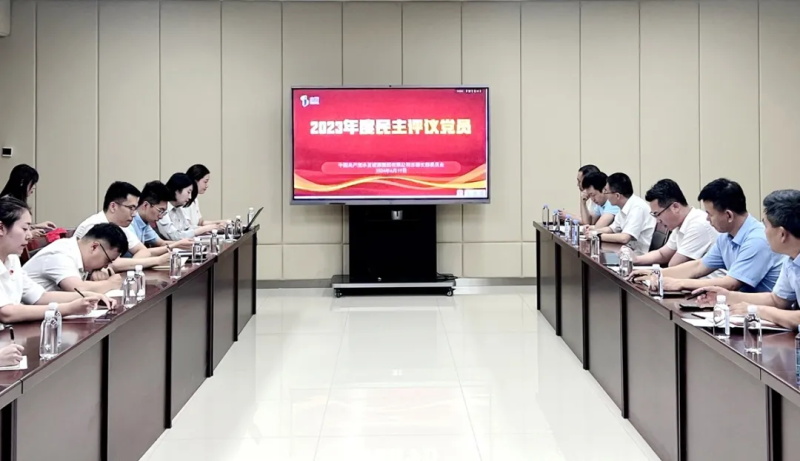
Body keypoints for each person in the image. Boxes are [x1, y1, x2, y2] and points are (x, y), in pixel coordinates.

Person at [635, 178, 783, 293]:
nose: (707, 219)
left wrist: (680, 283)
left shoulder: (757, 239)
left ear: (728, 215)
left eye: (710, 214)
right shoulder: (726, 237)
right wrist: (654, 273)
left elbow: (731, 283)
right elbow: (698, 266)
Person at [695, 190, 800, 329]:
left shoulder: (758, 240)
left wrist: (758, 311)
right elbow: (777, 300)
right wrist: (728, 296)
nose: (764, 231)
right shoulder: (791, 260)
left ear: (782, 234)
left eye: (766, 226)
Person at [0, 197, 113, 323]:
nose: (30, 235)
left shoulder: (12, 259)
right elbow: (6, 313)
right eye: (25, 229)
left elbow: (40, 297)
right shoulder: (60, 252)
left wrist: (89, 296)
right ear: (1, 228)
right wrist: (68, 308)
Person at [74, 182, 170, 273]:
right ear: (113, 206)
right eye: (131, 208)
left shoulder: (120, 226)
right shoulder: (93, 226)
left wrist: (128, 266)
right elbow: (114, 263)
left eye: (135, 208)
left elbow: (143, 251)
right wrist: (158, 260)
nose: (134, 214)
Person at [632, 179, 719, 267]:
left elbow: (674, 265)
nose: (658, 220)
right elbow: (662, 254)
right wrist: (635, 259)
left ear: (675, 207)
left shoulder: (698, 224)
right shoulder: (680, 225)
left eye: (657, 214)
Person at [23, 223, 128, 293]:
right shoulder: (61, 253)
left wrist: (94, 278)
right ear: (94, 247)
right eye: (107, 260)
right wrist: (110, 283)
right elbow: (78, 290)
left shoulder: (78, 253)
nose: (106, 266)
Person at [590, 173, 656, 255]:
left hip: (642, 255)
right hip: (629, 251)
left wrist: (597, 236)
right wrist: (593, 231)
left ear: (617, 195)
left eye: (606, 191)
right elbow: (612, 229)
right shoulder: (623, 206)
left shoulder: (637, 207)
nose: (605, 194)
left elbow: (624, 238)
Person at [157, 173, 224, 240]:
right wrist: (202, 230)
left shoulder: (178, 208)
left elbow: (187, 228)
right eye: (188, 192)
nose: (190, 197)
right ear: (177, 191)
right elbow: (175, 236)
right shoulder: (162, 209)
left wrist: (209, 228)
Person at [132, 181, 193, 252]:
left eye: (164, 212)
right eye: (160, 210)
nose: (161, 217)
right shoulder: (130, 223)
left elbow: (161, 243)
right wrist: (176, 245)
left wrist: (185, 244)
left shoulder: (145, 223)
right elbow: (144, 252)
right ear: (146, 205)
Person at [0, 164, 56, 237]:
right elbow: (7, 234)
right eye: (32, 183)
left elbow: (15, 226)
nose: (34, 187)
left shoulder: (13, 201)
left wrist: (36, 226)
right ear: (22, 183)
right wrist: (30, 234)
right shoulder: (7, 205)